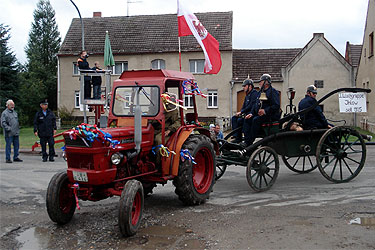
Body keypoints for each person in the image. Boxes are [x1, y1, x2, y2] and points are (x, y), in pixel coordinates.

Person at [243, 74, 281, 146]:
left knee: (255, 120)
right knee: (247, 119)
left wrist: (265, 111)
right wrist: (251, 113)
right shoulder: (260, 92)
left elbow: (276, 105)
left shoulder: (273, 92)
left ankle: (250, 141)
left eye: (261, 81)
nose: (259, 83)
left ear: (266, 82)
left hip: (270, 115)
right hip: (259, 114)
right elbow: (255, 104)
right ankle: (246, 139)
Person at [231, 78, 258, 143]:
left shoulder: (254, 94)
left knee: (241, 121)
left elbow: (251, 105)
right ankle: (237, 137)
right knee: (234, 118)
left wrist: (242, 112)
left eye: (245, 86)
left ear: (250, 86)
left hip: (252, 114)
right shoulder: (247, 95)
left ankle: (247, 140)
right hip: (246, 114)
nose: (243, 88)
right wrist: (240, 112)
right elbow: (244, 106)